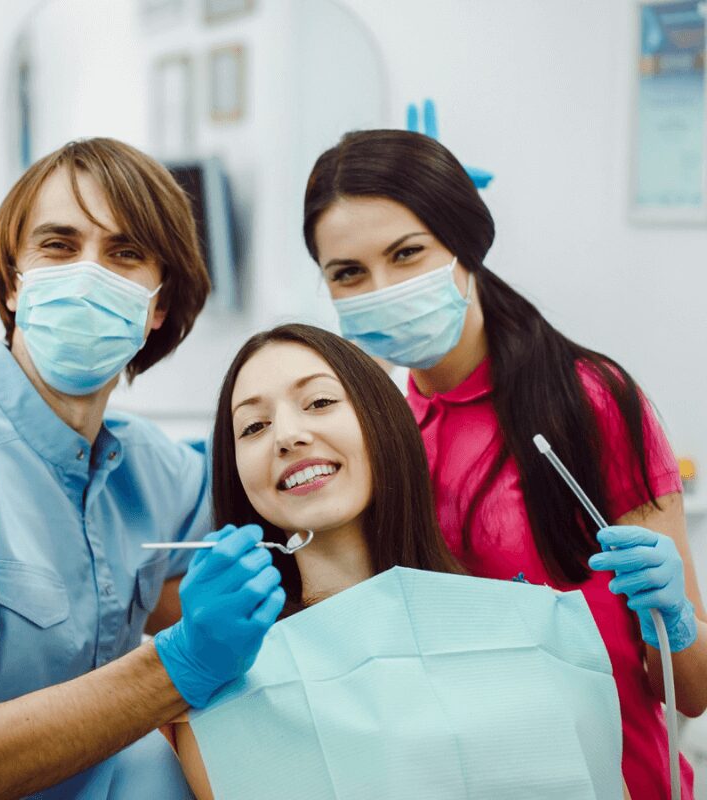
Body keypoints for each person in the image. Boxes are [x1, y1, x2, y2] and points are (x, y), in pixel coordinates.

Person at [301, 129, 707, 799]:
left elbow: (693, 692)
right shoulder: (382, 436)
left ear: (465, 246)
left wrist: (677, 621)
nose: (384, 288)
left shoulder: (590, 402)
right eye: (349, 273)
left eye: (407, 253)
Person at [0, 137, 284, 799]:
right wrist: (176, 668)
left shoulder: (156, 470)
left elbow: (242, 596)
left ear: (157, 308)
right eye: (58, 245)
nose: (89, 274)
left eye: (124, 253)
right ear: (14, 284)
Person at [169, 323, 630, 800]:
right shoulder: (226, 678)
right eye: (253, 426)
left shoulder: (529, 626)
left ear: (382, 419)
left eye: (320, 402)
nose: (287, 435)